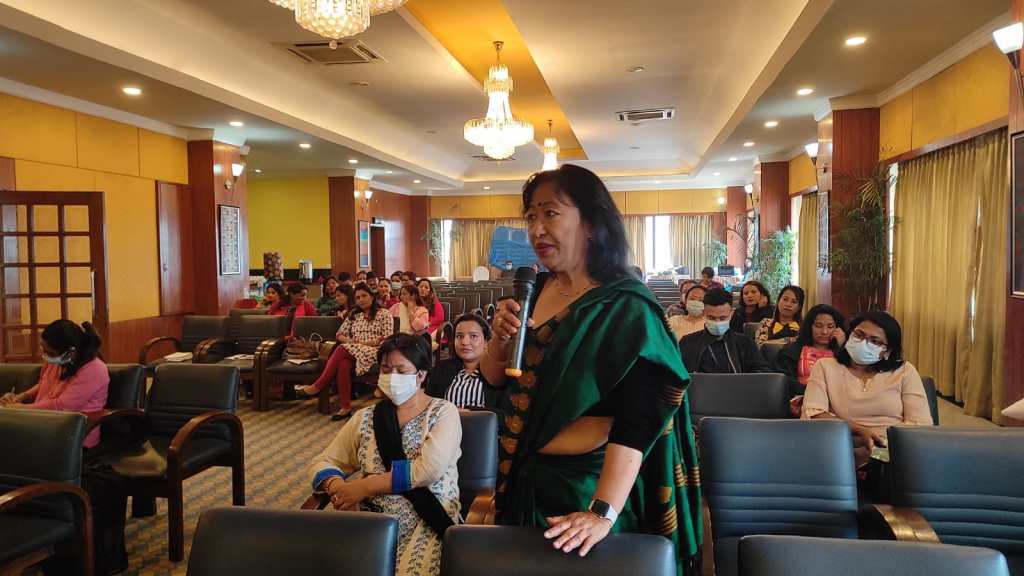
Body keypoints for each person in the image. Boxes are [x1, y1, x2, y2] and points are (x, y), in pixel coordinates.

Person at [482, 165, 701, 572]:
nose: (536, 229)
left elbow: (637, 421)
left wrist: (602, 511)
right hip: (525, 477)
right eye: (530, 217)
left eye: (550, 213)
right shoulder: (536, 290)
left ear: (591, 224)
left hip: (589, 487)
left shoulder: (626, 306)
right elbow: (494, 381)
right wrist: (499, 340)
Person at [309, 334, 461, 576]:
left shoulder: (443, 413)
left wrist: (364, 487)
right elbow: (325, 461)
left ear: (421, 375)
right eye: (386, 370)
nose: (392, 377)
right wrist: (340, 489)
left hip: (427, 518)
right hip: (370, 521)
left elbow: (427, 469)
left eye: (401, 370)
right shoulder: (366, 417)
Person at [802, 311, 933, 470]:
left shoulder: (905, 371)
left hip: (891, 452)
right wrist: (860, 431)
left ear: (888, 351)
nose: (863, 343)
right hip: (840, 450)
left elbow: (920, 423)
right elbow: (814, 414)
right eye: (859, 334)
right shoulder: (825, 366)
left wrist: (878, 446)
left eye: (875, 341)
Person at [0, 320, 108, 449]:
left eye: (50, 353)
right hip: (44, 424)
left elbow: (61, 407)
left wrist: (19, 409)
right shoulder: (58, 360)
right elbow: (43, 383)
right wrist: (21, 397)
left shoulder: (94, 369)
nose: (45, 356)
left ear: (70, 352)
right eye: (43, 349)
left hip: (72, 435)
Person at [299, 283, 394, 419]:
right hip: (354, 350)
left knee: (342, 348)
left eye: (364, 296)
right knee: (343, 364)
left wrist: (365, 343)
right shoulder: (354, 314)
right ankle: (345, 407)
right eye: (357, 297)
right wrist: (350, 341)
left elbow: (387, 338)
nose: (361, 300)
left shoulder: (384, 313)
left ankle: (319, 384)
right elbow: (339, 334)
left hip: (376, 351)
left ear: (372, 297)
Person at [774, 305, 846, 416]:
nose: (824, 332)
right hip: (801, 403)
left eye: (830, 327)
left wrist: (844, 348)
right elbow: (785, 381)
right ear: (809, 327)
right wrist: (814, 393)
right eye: (818, 326)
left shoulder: (844, 353)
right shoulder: (790, 352)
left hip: (839, 405)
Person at [679, 288, 770, 373]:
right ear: (703, 314)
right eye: (711, 318)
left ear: (731, 314)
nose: (717, 322)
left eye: (722, 318)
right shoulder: (688, 342)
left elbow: (761, 371)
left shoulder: (745, 343)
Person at [427, 314, 502, 411]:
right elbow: (429, 405)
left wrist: (469, 412)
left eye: (473, 336)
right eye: (459, 336)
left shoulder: (497, 373)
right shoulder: (442, 369)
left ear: (486, 342)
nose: (464, 342)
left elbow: (505, 415)